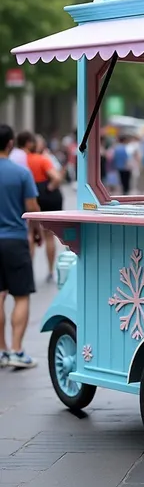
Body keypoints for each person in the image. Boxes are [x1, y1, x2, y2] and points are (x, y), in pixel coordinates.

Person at [0, 125, 41, 369]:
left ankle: (2, 351)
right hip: (15, 240)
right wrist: (36, 233)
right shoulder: (21, 173)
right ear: (10, 144)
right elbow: (32, 209)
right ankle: (17, 350)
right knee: (21, 296)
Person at [20, 132, 63, 282]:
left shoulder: (23, 160)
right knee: (49, 235)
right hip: (48, 198)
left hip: (31, 198)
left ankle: (28, 271)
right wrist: (50, 188)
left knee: (31, 233)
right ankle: (51, 271)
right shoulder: (43, 159)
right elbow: (57, 177)